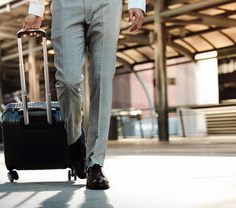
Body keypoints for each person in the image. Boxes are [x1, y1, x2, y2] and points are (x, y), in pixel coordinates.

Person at [22, 0, 145, 190]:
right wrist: (36, 8)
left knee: (102, 79)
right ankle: (75, 136)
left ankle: (95, 164)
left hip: (107, 5)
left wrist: (137, 3)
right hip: (65, 5)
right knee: (68, 80)